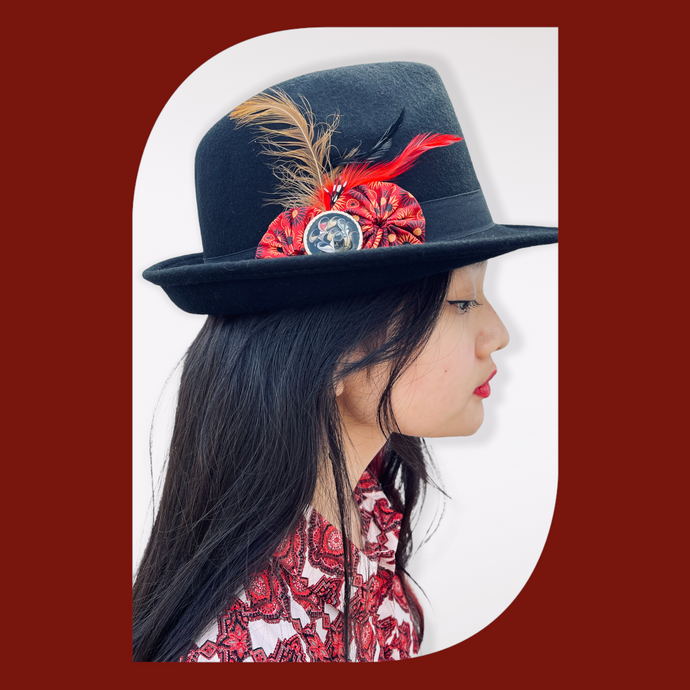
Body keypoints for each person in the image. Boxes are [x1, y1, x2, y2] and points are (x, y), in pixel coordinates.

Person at [134, 61, 557, 662]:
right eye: (461, 302)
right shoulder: (249, 646)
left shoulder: (361, 519)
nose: (498, 334)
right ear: (336, 353)